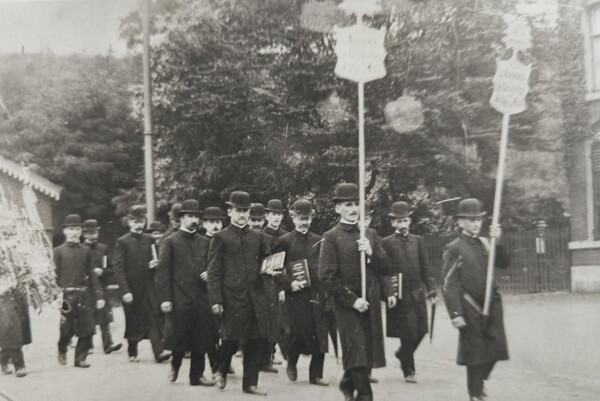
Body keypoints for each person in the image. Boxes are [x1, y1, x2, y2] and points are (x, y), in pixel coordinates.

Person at [319, 183, 394, 401]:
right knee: (358, 352)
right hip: (346, 304)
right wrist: (352, 301)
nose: (353, 209)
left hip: (369, 301)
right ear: (337, 209)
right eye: (348, 205)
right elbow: (326, 277)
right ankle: (364, 396)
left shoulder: (369, 234)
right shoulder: (331, 237)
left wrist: (371, 252)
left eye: (357, 204)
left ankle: (346, 382)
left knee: (365, 352)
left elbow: (387, 268)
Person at [441, 198, 510, 401]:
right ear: (460, 222)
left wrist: (499, 241)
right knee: (475, 354)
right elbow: (448, 282)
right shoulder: (454, 248)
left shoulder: (486, 243)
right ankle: (475, 393)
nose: (475, 224)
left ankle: (480, 381)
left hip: (492, 304)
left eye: (478, 219)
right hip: (469, 306)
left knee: (497, 348)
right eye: (470, 220)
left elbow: (504, 263)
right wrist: (456, 313)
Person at [207, 191, 274, 396]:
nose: (243, 215)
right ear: (230, 212)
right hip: (231, 297)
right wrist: (216, 299)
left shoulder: (258, 237)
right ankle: (220, 370)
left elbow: (267, 262)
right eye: (238, 210)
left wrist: (271, 270)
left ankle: (250, 383)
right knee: (230, 338)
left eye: (246, 211)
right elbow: (214, 271)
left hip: (256, 296)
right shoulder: (220, 237)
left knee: (255, 340)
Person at [155, 199, 218, 386]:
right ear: (181, 218)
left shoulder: (205, 241)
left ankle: (196, 375)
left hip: (201, 297)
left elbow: (212, 265)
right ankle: (175, 366)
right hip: (179, 297)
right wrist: (165, 298)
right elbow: (162, 272)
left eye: (196, 216)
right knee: (179, 337)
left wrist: (209, 273)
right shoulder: (170, 242)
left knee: (201, 337)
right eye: (189, 216)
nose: (193, 220)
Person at [381, 202, 437, 384]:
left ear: (409, 221)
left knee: (421, 330)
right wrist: (388, 291)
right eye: (398, 221)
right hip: (399, 294)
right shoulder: (386, 243)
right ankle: (409, 370)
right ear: (393, 223)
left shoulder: (417, 240)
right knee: (407, 333)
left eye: (405, 220)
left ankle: (402, 354)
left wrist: (431, 289)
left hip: (417, 293)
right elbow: (384, 270)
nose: (402, 224)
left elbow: (426, 267)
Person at [275, 199, 329, 386]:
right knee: (295, 333)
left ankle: (316, 375)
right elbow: (275, 271)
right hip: (295, 296)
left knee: (319, 333)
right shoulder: (284, 241)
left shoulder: (319, 240)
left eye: (306, 218)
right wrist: (289, 284)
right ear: (293, 217)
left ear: (311, 218)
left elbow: (326, 266)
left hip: (316, 293)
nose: (303, 222)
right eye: (300, 218)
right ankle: (291, 362)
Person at [113, 205, 171, 363]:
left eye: (142, 221)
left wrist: (153, 265)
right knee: (132, 319)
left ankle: (158, 352)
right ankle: (132, 351)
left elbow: (156, 260)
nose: (140, 225)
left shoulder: (150, 239)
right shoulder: (122, 242)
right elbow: (119, 269)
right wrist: (125, 291)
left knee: (153, 318)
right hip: (131, 289)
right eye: (136, 221)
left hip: (148, 288)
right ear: (130, 222)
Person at [54, 214, 105, 368]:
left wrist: (99, 296)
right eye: (71, 229)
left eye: (77, 229)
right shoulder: (58, 251)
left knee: (87, 328)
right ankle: (62, 348)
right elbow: (54, 275)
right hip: (66, 296)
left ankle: (80, 358)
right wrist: (56, 295)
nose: (74, 232)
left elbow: (92, 275)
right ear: (65, 231)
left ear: (81, 231)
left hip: (84, 293)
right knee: (67, 329)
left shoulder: (86, 251)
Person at [82, 219, 123, 355]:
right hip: (87, 288)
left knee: (104, 316)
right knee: (88, 316)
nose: (93, 235)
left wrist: (102, 272)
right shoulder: (81, 249)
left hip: (102, 286)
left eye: (95, 232)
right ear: (85, 234)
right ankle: (88, 346)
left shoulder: (103, 248)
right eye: (90, 233)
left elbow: (111, 268)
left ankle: (108, 344)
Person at [0, 287, 31, 377]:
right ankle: (19, 365)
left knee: (13, 333)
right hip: (3, 301)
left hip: (15, 296)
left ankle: (3, 359)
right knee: (12, 332)